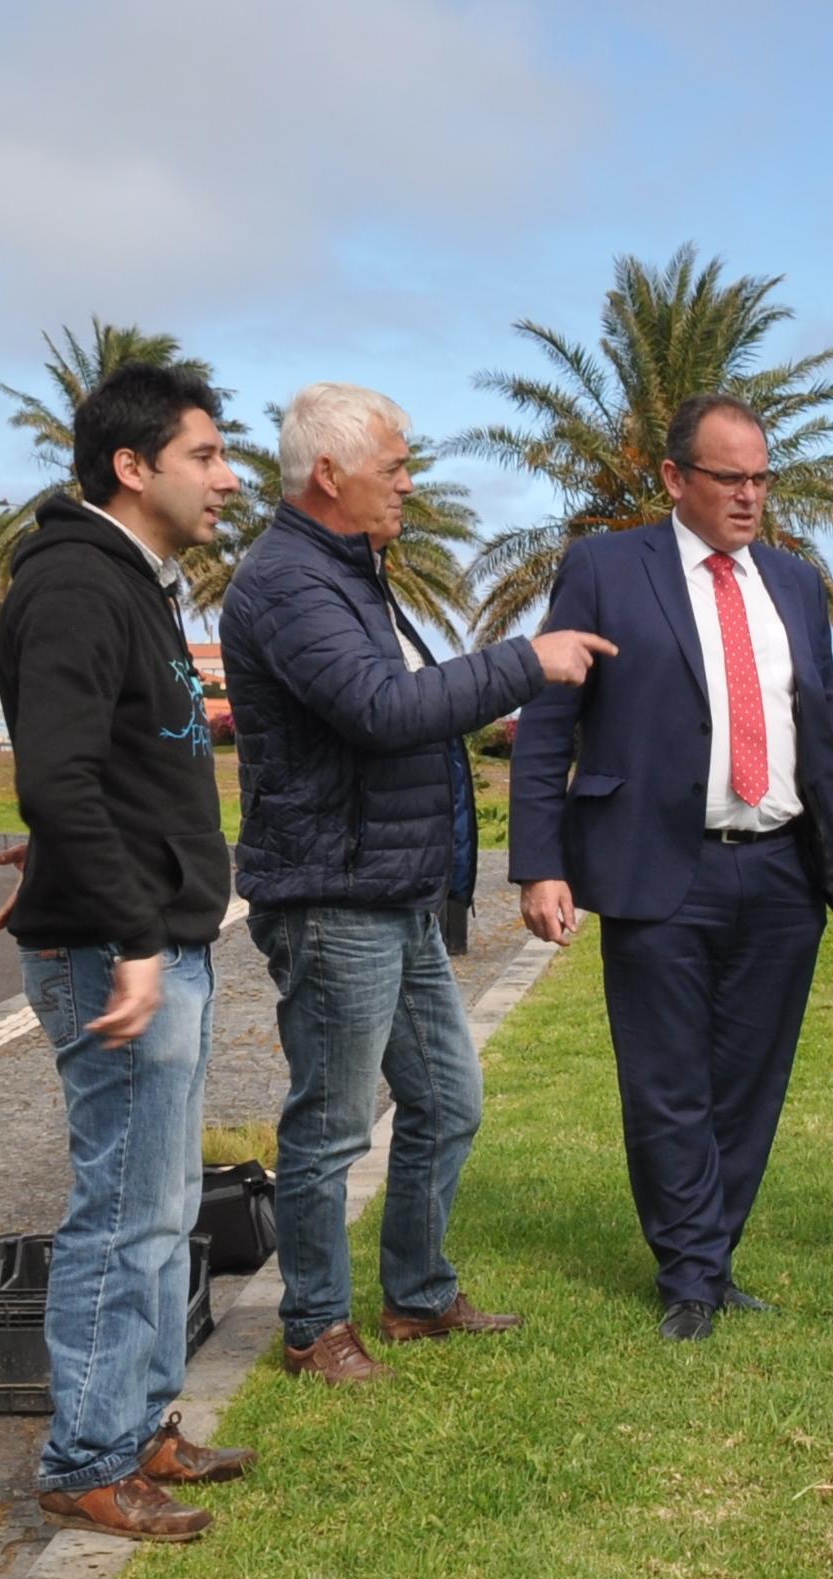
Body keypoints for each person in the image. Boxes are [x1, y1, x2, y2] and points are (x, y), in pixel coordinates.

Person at [221, 382, 607, 1378]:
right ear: (327, 474)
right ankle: (313, 1326)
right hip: (333, 896)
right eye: (393, 467)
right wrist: (527, 660)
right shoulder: (289, 582)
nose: (407, 485)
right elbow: (383, 708)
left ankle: (418, 1298)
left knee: (446, 1100)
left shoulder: (349, 572)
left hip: (387, 892)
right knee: (332, 1124)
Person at [510, 397, 833, 1341]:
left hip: (782, 871)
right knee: (667, 1080)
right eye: (730, 479)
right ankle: (687, 1274)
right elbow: (550, 721)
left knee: (750, 1080)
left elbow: (815, 722)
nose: (750, 497)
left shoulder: (795, 585)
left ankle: (712, 1255)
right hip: (656, 867)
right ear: (677, 479)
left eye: (762, 477)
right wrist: (540, 864)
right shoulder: (604, 569)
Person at [0, 359, 250, 1539]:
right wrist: (130, 934)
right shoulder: (76, 586)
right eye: (204, 453)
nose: (226, 476)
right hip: (119, 951)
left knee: (162, 1204)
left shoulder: (136, 584)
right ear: (132, 466)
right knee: (122, 1211)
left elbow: (112, 770)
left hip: (148, 935)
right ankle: (87, 1456)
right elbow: (58, 776)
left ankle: (140, 1423)